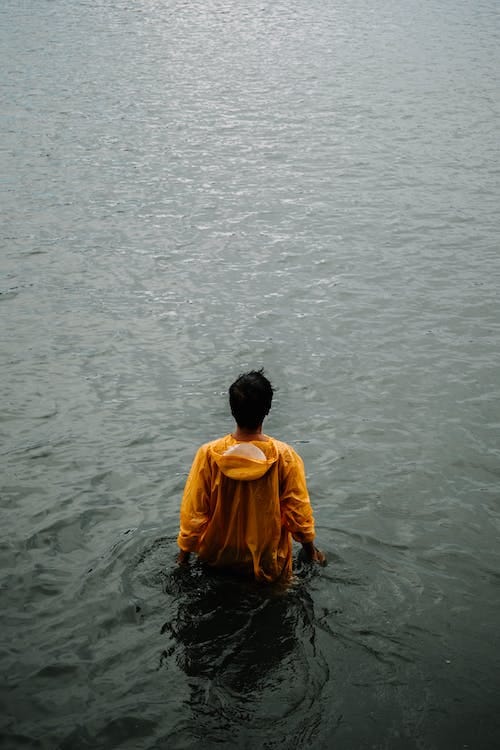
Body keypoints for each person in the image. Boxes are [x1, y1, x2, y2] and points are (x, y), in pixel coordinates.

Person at [177, 369, 325, 583]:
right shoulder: (284, 456)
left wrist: (183, 559)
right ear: (268, 409)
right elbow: (297, 512)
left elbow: (194, 513)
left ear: (232, 409)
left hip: (216, 559)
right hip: (267, 563)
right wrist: (311, 552)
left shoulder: (209, 454)